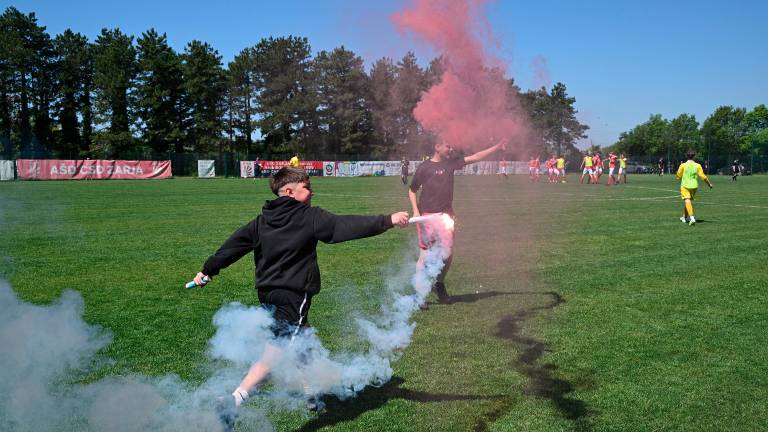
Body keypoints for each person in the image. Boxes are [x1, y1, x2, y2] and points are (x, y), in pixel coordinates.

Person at [191, 167, 409, 427]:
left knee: (303, 336)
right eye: (307, 186)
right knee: (277, 351)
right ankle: (235, 400)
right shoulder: (309, 217)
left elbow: (233, 246)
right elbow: (345, 226)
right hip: (293, 296)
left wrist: (207, 269)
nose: (312, 191)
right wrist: (388, 220)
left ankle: (311, 394)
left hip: (267, 294)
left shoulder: (262, 221)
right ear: (290, 191)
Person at [408, 139, 505, 305]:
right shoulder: (424, 167)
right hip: (428, 217)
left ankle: (439, 285)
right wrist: (416, 212)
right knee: (424, 255)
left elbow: (475, 157)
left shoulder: (451, 164)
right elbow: (412, 190)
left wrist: (497, 146)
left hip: (446, 216)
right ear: (437, 147)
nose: (451, 148)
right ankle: (419, 294)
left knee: (448, 253)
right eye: (447, 145)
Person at [676, 150, 713, 226]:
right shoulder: (698, 165)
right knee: (688, 201)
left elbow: (678, 176)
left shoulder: (682, 165)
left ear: (687, 156)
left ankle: (692, 218)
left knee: (687, 200)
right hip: (694, 186)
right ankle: (684, 217)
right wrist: (709, 184)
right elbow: (703, 177)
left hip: (685, 185)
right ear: (694, 156)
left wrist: (680, 177)